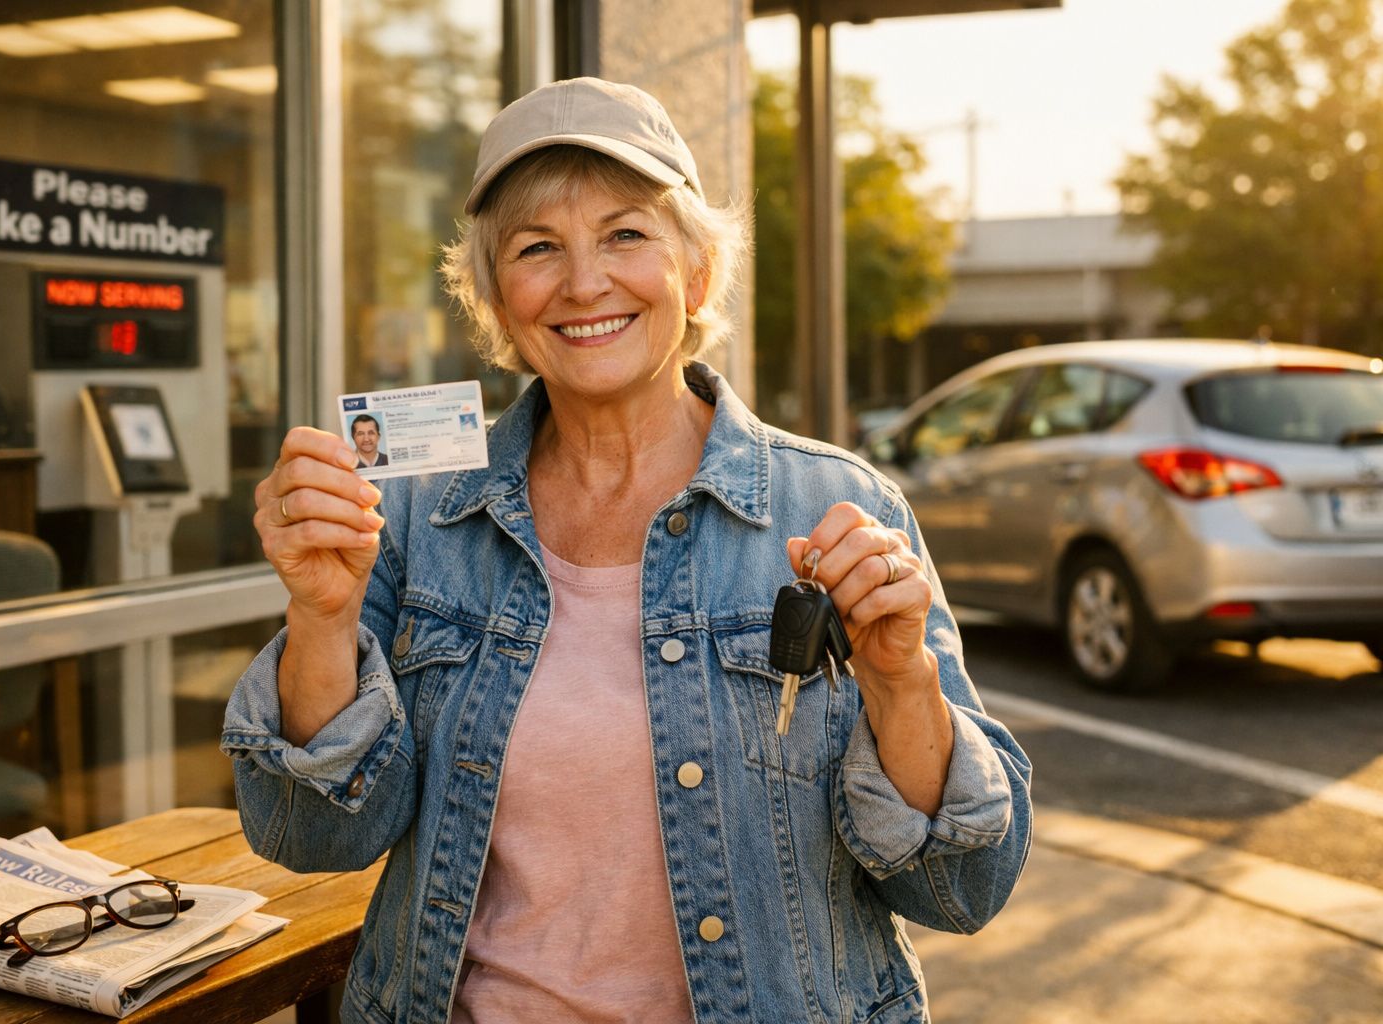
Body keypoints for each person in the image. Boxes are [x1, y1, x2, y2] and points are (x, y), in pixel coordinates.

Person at [223, 77, 1031, 1024]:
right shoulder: (412, 512)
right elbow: (314, 835)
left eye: (625, 235)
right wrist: (322, 617)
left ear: (694, 277)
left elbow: (960, 889)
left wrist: (899, 681)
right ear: (496, 302)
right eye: (537, 249)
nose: (583, 282)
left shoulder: (837, 505)